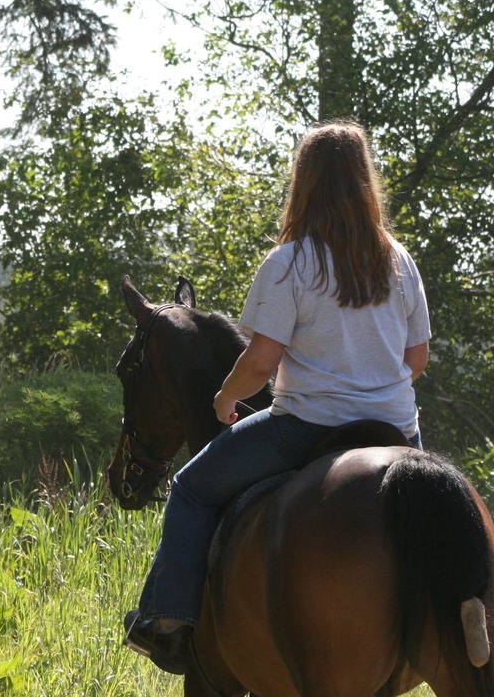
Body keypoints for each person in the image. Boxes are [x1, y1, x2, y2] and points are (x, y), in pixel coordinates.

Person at [122, 121, 431, 674]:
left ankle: (167, 622)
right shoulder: (397, 260)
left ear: (303, 182)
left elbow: (261, 361)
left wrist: (224, 398)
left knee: (191, 488)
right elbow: (416, 360)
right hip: (396, 431)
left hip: (306, 427)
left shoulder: (290, 262)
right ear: (366, 183)